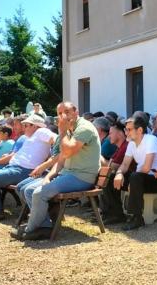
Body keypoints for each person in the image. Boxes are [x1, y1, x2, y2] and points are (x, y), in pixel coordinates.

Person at [13, 102, 100, 241]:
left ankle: (31, 229)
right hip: (68, 174)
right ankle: (44, 226)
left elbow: (68, 150)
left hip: (82, 177)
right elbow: (62, 158)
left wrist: (62, 131)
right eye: (60, 113)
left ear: (76, 111)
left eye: (67, 111)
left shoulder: (84, 128)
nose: (63, 116)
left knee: (38, 193)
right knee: (28, 190)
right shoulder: (70, 129)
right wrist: (49, 175)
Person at [0, 114, 56, 222]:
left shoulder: (41, 131)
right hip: (15, 168)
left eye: (26, 125)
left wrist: (54, 155)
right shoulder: (31, 137)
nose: (23, 127)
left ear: (35, 126)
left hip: (23, 170)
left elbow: (56, 139)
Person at [114, 114, 157, 231]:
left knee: (135, 177)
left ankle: (137, 218)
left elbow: (146, 168)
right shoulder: (131, 143)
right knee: (112, 177)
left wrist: (131, 181)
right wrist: (119, 174)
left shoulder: (151, 140)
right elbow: (124, 165)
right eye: (125, 129)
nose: (126, 133)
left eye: (129, 130)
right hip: (140, 179)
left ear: (139, 130)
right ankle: (114, 213)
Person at [99, 121, 131, 224]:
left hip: (130, 177)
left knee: (109, 177)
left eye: (111, 133)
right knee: (103, 176)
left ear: (120, 133)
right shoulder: (119, 148)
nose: (109, 136)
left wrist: (98, 157)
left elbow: (114, 167)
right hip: (124, 176)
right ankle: (106, 212)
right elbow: (111, 165)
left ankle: (116, 215)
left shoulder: (125, 146)